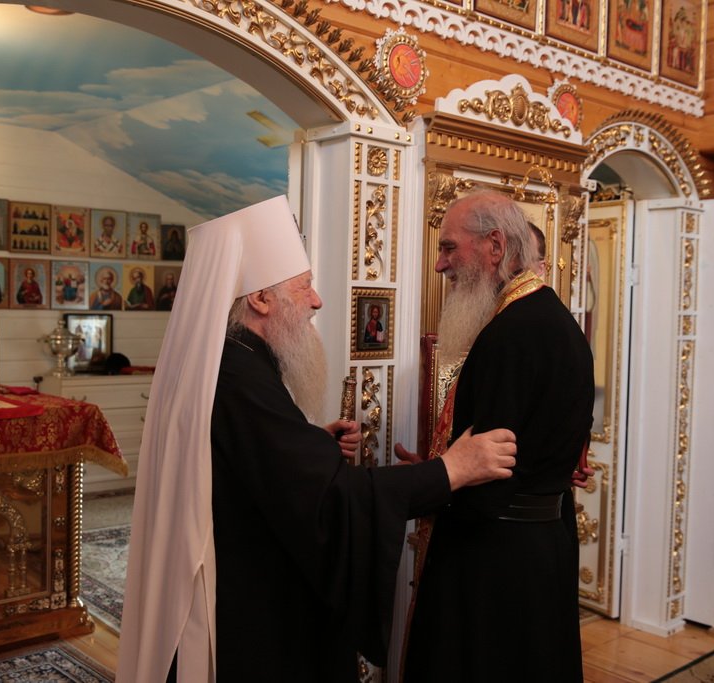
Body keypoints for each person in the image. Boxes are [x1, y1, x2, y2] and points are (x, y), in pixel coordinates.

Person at [117, 195, 517, 683]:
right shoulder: (239, 375)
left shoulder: (231, 359)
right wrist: (451, 470)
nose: (317, 300)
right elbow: (333, 500)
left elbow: (249, 460)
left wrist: (310, 445)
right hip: (251, 605)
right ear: (261, 299)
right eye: (304, 286)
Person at [399, 190, 593, 682]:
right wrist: (437, 469)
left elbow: (488, 472)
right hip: (539, 547)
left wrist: (431, 483)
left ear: (495, 246)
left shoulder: (514, 332)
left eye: (449, 248)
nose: (441, 265)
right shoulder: (551, 318)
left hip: (495, 559)